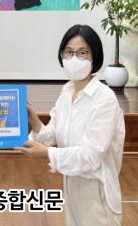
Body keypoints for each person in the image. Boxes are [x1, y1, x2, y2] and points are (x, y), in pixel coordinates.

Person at [17, 25, 125, 226]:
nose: (74, 59)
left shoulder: (104, 99)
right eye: (69, 52)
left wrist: (46, 153)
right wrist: (34, 120)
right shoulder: (67, 92)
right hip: (70, 181)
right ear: (62, 56)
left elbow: (91, 156)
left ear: (94, 56)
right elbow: (52, 135)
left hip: (96, 188)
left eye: (82, 53)